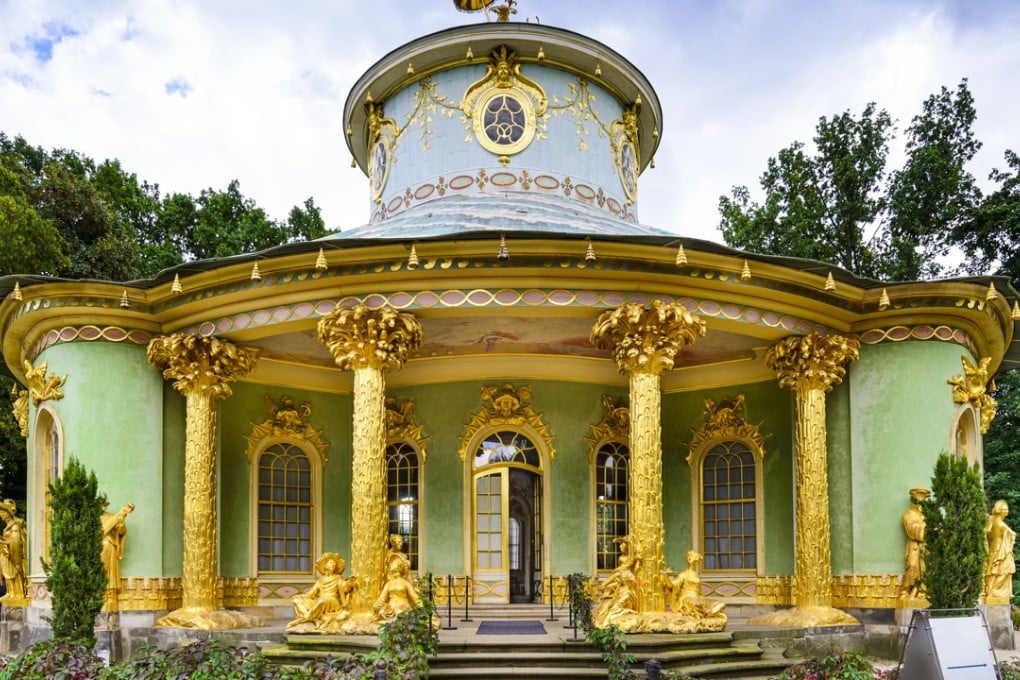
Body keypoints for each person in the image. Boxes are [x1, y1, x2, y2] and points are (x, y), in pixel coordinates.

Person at [287, 552, 358, 632]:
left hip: (332, 601)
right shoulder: (320, 581)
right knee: (297, 600)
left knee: (321, 601)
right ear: (325, 566)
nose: (333, 565)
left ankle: (299, 621)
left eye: (334, 564)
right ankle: (315, 620)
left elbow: (345, 588)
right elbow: (310, 594)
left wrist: (350, 582)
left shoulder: (338, 578)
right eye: (331, 563)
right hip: (320, 601)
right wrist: (300, 597)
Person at [662, 550, 724, 618]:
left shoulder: (696, 575)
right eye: (696, 561)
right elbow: (671, 585)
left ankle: (706, 614)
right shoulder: (684, 574)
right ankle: (705, 614)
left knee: (720, 604)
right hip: (687, 598)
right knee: (697, 604)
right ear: (689, 560)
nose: (697, 563)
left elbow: (699, 592)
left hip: (698, 598)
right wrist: (665, 575)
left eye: (697, 561)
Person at [983, 499, 1016, 603]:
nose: (1007, 511)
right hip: (1001, 548)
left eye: (1007, 509)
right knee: (1002, 570)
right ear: (999, 510)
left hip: (996, 546)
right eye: (1005, 509)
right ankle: (995, 591)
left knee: (997, 570)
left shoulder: (993, 520)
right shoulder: (999, 523)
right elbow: (1011, 534)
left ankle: (993, 591)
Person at [373, 553, 422, 623]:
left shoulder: (406, 583)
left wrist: (423, 609)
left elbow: (415, 598)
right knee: (381, 613)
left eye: (392, 562)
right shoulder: (388, 584)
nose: (390, 564)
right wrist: (377, 603)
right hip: (390, 609)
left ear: (399, 566)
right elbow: (382, 598)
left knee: (401, 614)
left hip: (402, 607)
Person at [101, 502, 135, 601]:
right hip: (95, 548)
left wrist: (121, 522)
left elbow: (121, 532)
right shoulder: (89, 517)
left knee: (108, 546)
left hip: (109, 547)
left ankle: (110, 592)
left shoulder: (110, 517)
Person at [898, 488, 928, 600]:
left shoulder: (928, 514)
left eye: (923, 497)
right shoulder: (908, 514)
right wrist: (927, 528)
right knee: (912, 566)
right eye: (918, 497)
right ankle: (905, 591)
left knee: (926, 569)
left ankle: (923, 592)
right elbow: (912, 529)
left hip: (927, 546)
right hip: (914, 546)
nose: (920, 500)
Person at [0, 499, 27, 603]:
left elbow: (16, 541)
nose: (0, 514)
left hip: (13, 555)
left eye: (3, 512)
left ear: (9, 513)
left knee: (14, 574)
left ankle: (18, 593)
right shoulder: (8, 526)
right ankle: (11, 592)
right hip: (6, 555)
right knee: (8, 575)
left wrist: (17, 562)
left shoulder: (15, 525)